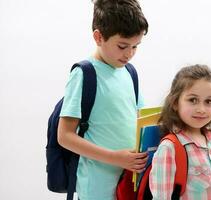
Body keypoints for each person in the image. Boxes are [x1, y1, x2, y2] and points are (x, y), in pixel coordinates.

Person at [57, 0, 149, 199]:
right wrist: (116, 158)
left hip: (128, 183)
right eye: (123, 46)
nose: (130, 54)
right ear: (98, 37)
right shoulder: (84, 74)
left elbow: (141, 121)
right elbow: (64, 136)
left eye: (135, 46)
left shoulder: (129, 73)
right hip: (96, 188)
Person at [149, 65, 211, 199]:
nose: (201, 109)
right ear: (175, 102)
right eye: (193, 100)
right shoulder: (170, 148)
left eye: (209, 101)